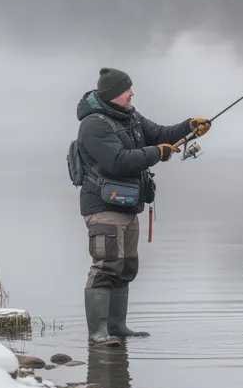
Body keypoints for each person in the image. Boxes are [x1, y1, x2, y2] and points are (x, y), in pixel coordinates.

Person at [74, 67, 210, 346]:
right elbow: (118, 161)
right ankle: (98, 334)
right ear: (113, 94)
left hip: (128, 203)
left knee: (125, 266)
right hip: (102, 205)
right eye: (127, 89)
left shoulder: (130, 116)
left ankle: (118, 327)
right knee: (106, 265)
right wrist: (155, 153)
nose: (132, 93)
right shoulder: (94, 125)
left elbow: (161, 134)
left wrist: (190, 127)